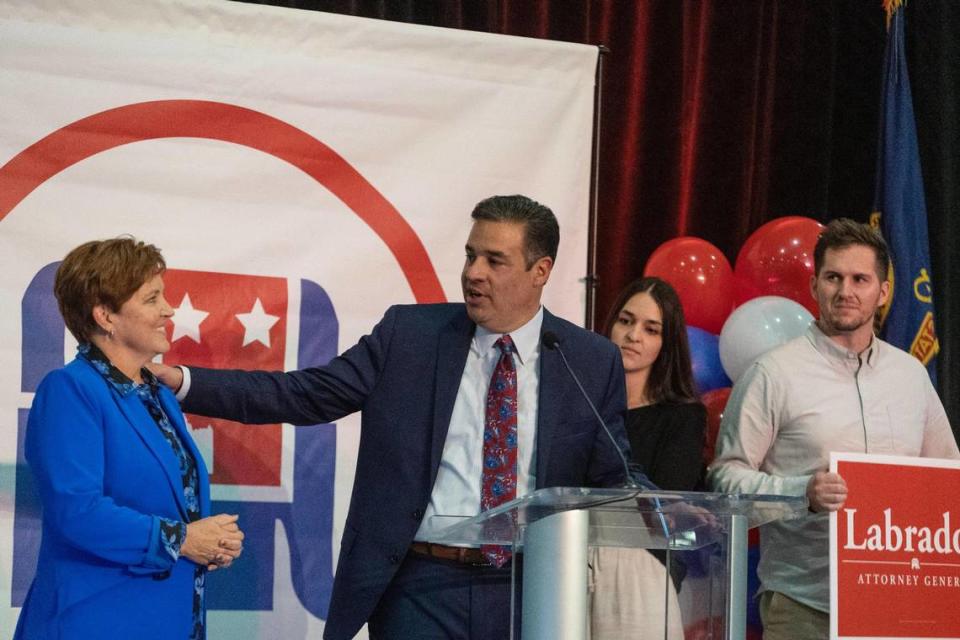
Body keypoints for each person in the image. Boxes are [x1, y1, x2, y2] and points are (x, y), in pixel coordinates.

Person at [152, 195, 632, 640]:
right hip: (419, 586)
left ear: (540, 270)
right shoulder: (411, 336)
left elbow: (613, 475)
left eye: (494, 260)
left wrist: (670, 511)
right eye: (470, 255)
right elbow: (304, 394)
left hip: (530, 588)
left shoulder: (588, 360)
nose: (473, 273)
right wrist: (183, 381)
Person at [707, 219, 959, 640]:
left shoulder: (911, 376)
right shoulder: (773, 373)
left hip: (903, 607)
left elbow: (946, 479)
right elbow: (724, 479)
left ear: (882, 292)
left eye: (860, 279)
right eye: (833, 277)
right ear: (813, 286)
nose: (846, 291)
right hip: (806, 607)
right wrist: (801, 492)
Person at [14, 238, 245, 640]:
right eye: (152, 298)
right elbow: (78, 511)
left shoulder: (157, 395)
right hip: (94, 619)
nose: (168, 310)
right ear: (106, 316)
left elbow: (170, 502)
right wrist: (184, 539)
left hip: (167, 618)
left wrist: (212, 540)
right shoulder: (70, 390)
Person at [588, 276, 706, 640]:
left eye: (650, 329)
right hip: (566, 557)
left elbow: (666, 507)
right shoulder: (579, 402)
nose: (633, 335)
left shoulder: (683, 417)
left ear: (665, 344)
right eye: (625, 321)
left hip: (641, 566)